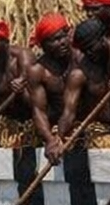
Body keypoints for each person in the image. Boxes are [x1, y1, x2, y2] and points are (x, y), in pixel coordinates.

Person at [58, 18, 110, 151]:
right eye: (84, 50)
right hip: (100, 132)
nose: (89, 53)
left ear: (103, 38)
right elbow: (68, 113)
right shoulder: (81, 73)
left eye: (91, 47)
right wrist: (58, 139)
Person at [26, 14, 77, 161]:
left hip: (85, 123)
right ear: (43, 46)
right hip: (57, 124)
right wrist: (50, 140)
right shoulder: (38, 71)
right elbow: (38, 110)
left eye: (63, 37)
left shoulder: (81, 58)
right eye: (54, 40)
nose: (61, 43)